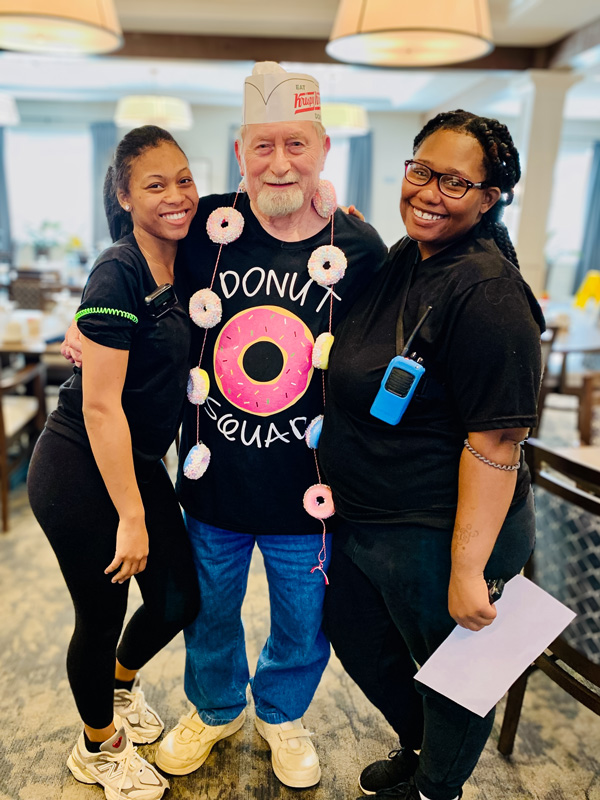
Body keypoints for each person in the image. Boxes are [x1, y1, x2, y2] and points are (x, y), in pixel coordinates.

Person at [150, 62, 388, 789]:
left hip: (307, 489)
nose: (279, 163)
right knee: (209, 610)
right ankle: (216, 708)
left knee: (301, 621)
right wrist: (91, 326)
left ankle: (282, 715)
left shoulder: (360, 248)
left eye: (296, 144)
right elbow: (139, 253)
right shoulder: (203, 229)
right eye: (262, 146)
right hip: (212, 475)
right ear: (239, 152)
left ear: (323, 149)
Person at [318, 110, 545, 800]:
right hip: (369, 517)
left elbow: (497, 440)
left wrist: (468, 568)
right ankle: (418, 747)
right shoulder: (404, 258)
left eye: (455, 182)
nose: (428, 192)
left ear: (488, 197)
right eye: (422, 170)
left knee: (459, 677)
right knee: (356, 635)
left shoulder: (488, 292)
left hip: (443, 528)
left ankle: (434, 787)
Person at [28, 125, 201, 800]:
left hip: (134, 457)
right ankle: (97, 746)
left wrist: (334, 212)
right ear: (125, 197)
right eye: (155, 185)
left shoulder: (186, 256)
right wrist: (132, 515)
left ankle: (122, 685)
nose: (176, 195)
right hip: (78, 464)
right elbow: (100, 408)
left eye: (183, 179)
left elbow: (255, 208)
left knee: (178, 597)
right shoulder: (117, 268)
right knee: (100, 615)